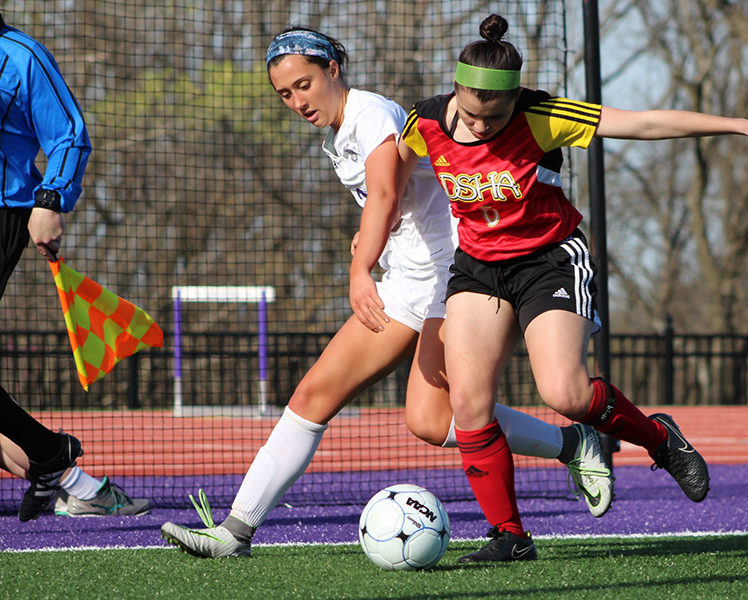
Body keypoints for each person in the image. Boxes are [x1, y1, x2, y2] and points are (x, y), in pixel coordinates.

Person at [160, 26, 613, 559]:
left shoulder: (371, 113)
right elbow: (392, 202)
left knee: (441, 414)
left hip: (457, 275)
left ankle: (557, 466)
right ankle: (234, 533)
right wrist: (377, 240)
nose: (297, 101)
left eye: (304, 84)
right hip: (406, 280)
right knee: (324, 399)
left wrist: (359, 269)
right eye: (285, 94)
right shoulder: (342, 130)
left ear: (333, 69)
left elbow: (383, 192)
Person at [398, 14, 748, 562]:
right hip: (477, 267)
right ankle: (510, 537)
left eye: (493, 117)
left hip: (550, 261)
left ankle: (660, 441)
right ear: (454, 92)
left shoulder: (543, 115)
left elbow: (645, 122)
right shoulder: (421, 122)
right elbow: (392, 172)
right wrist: (374, 232)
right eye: (471, 115)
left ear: (514, 99)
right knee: (470, 406)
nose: (480, 127)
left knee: (565, 394)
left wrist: (740, 125)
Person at [0, 15, 151, 520]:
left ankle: (58, 466)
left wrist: (50, 198)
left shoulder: (20, 55)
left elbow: (69, 134)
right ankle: (56, 465)